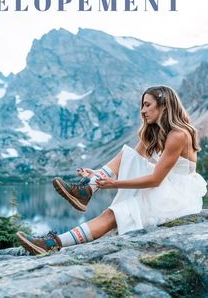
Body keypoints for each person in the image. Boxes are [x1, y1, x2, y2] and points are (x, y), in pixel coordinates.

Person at [17, 85, 207, 255]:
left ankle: (54, 241)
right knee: (127, 157)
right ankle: (88, 188)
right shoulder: (153, 132)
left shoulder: (179, 135)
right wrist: (98, 175)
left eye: (148, 105)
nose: (143, 111)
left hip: (176, 195)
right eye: (143, 105)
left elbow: (156, 179)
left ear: (164, 105)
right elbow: (130, 161)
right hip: (162, 187)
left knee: (115, 213)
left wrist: (113, 183)